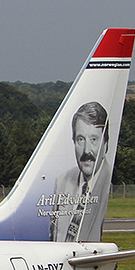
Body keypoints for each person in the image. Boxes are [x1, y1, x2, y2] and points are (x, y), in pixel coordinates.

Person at [49, 101, 110, 242]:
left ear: (105, 144)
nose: (87, 150)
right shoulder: (62, 181)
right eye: (81, 139)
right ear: (73, 142)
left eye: (94, 139)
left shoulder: (109, 184)